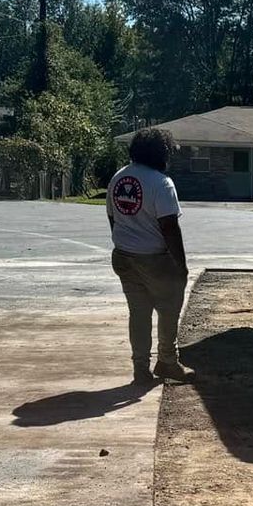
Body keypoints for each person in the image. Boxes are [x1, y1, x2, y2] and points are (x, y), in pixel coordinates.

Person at [106, 127, 190, 384]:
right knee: (168, 309)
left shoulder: (119, 178)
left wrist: (124, 240)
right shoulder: (161, 183)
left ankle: (140, 368)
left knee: (139, 313)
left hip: (123, 256)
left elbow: (112, 217)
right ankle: (167, 361)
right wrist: (181, 264)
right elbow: (169, 227)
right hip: (154, 258)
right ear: (160, 152)